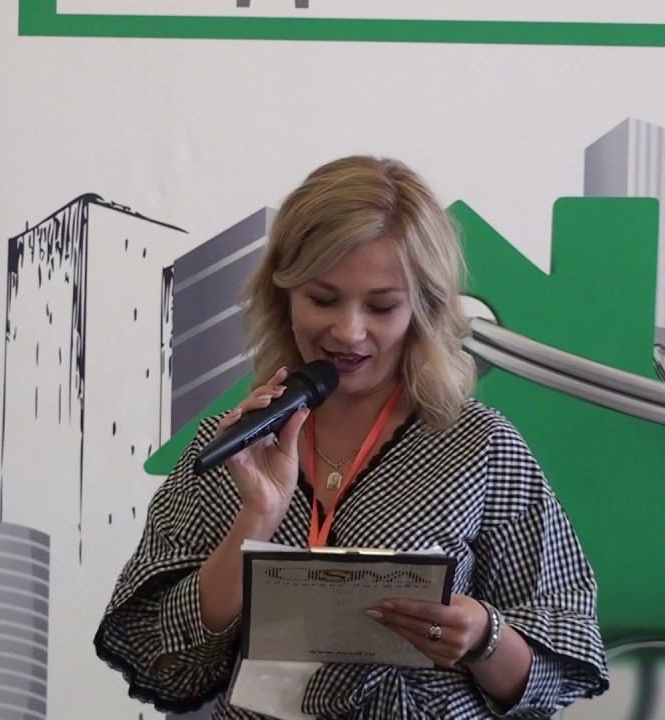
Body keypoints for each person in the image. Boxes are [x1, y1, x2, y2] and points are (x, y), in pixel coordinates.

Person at [95, 156, 609, 718]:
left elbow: (564, 663)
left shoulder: (478, 445)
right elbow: (158, 656)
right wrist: (256, 521)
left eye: (382, 306)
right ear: (283, 295)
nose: (349, 331)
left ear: (424, 309)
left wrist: (485, 637)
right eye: (323, 299)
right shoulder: (233, 447)